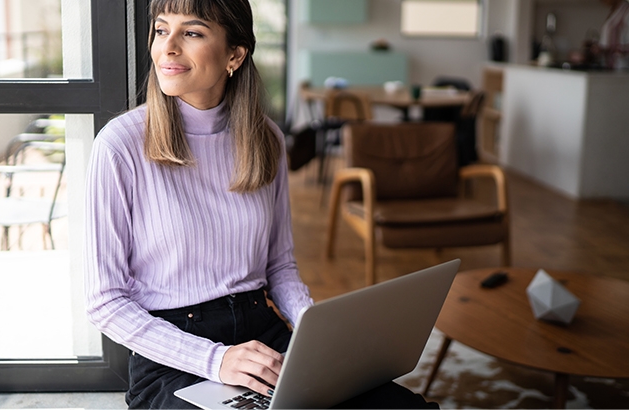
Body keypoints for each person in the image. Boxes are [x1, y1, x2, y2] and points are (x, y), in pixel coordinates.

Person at [83, 0, 439, 408]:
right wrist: (216, 360)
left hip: (263, 331)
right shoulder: (120, 144)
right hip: (174, 352)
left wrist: (315, 334)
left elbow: (280, 266)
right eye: (162, 30)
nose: (168, 47)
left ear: (235, 54)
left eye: (192, 33)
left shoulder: (265, 139)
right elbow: (105, 301)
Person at [595, 0, 629, 69]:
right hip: (609, 65)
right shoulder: (614, 10)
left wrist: (612, 49)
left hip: (622, 66)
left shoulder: (626, 11)